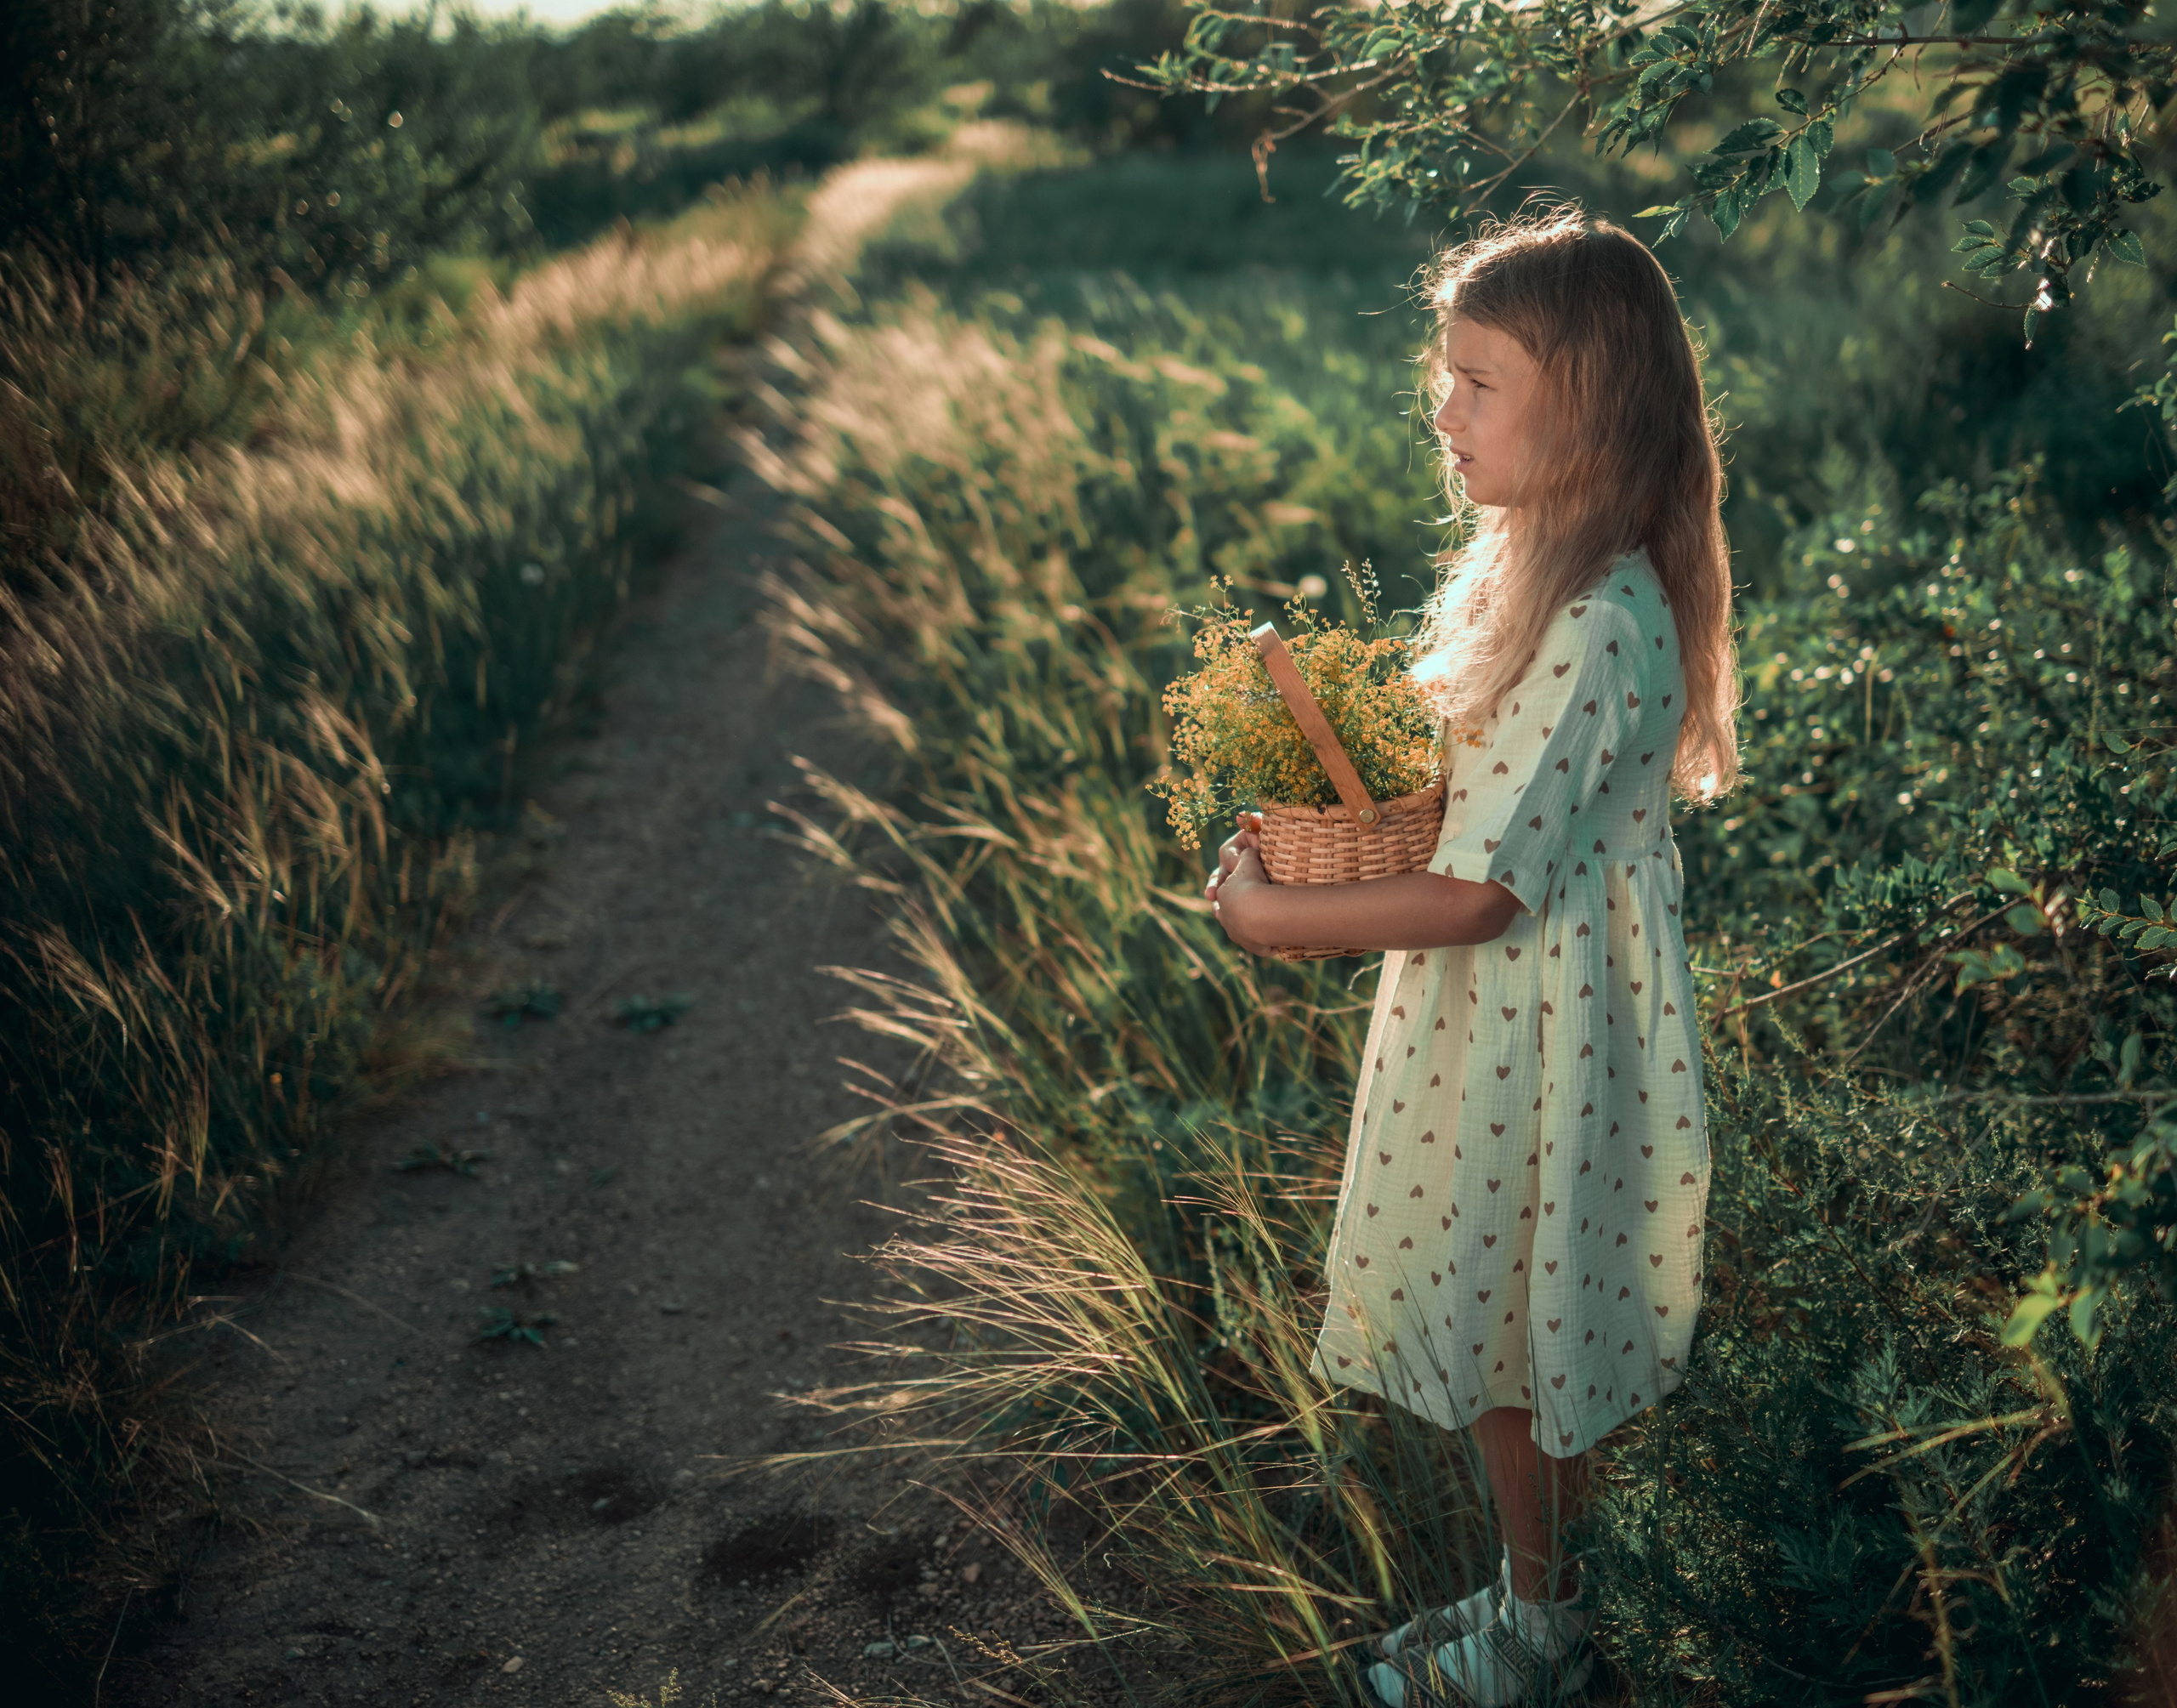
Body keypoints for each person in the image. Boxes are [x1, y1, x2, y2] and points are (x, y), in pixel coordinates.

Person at [1204, 205, 1741, 1705]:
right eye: (1441, 377)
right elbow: (1473, 827)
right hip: (1500, 1031)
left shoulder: (1603, 619)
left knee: (1537, 1353)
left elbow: (1482, 896)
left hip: (1552, 1039)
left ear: (1588, 403)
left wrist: (1271, 918)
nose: (1440, 410)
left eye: (1477, 381)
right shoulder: (1533, 578)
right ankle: (1534, 1605)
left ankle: (1547, 1642)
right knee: (1512, 1341)